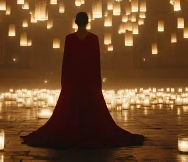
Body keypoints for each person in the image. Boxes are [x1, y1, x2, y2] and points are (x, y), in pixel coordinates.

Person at [21, 12, 144, 148]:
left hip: (73, 78)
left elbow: (66, 62)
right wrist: (97, 82)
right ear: (87, 22)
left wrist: (64, 80)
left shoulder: (70, 38)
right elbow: (96, 62)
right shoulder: (93, 38)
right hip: (88, 79)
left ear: (76, 22)